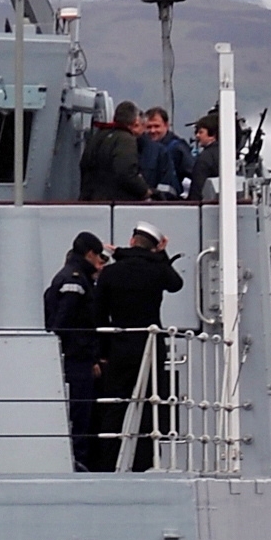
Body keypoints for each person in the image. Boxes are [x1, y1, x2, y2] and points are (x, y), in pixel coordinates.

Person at [93, 226, 183, 468]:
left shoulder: (110, 272)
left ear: (132, 240)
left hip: (119, 345)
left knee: (115, 406)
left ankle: (108, 461)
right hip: (151, 344)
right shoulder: (156, 270)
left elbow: (98, 314)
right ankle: (145, 461)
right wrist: (162, 255)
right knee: (151, 404)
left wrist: (102, 353)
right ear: (154, 246)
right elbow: (176, 284)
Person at [43, 232, 109, 469]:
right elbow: (67, 322)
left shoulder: (75, 277)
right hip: (75, 358)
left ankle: (76, 458)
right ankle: (77, 460)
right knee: (79, 410)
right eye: (98, 256)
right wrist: (88, 355)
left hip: (73, 356)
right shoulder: (74, 281)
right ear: (90, 253)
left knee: (79, 410)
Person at [77, 101, 146, 209]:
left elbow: (84, 164)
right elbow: (125, 172)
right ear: (135, 121)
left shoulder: (97, 136)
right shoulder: (125, 139)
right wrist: (145, 190)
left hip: (89, 202)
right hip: (115, 205)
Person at [134, 105, 190, 201]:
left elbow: (190, 177)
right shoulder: (139, 148)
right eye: (149, 127)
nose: (152, 131)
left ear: (166, 125)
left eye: (156, 126)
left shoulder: (178, 149)